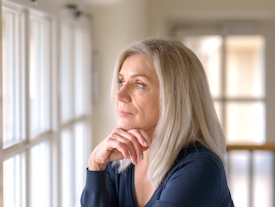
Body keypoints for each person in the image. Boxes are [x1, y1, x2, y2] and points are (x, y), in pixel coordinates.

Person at [81, 37, 234, 207]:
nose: (120, 95)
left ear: (174, 96)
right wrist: (95, 164)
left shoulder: (201, 167)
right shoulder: (118, 163)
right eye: (121, 81)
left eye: (139, 84)